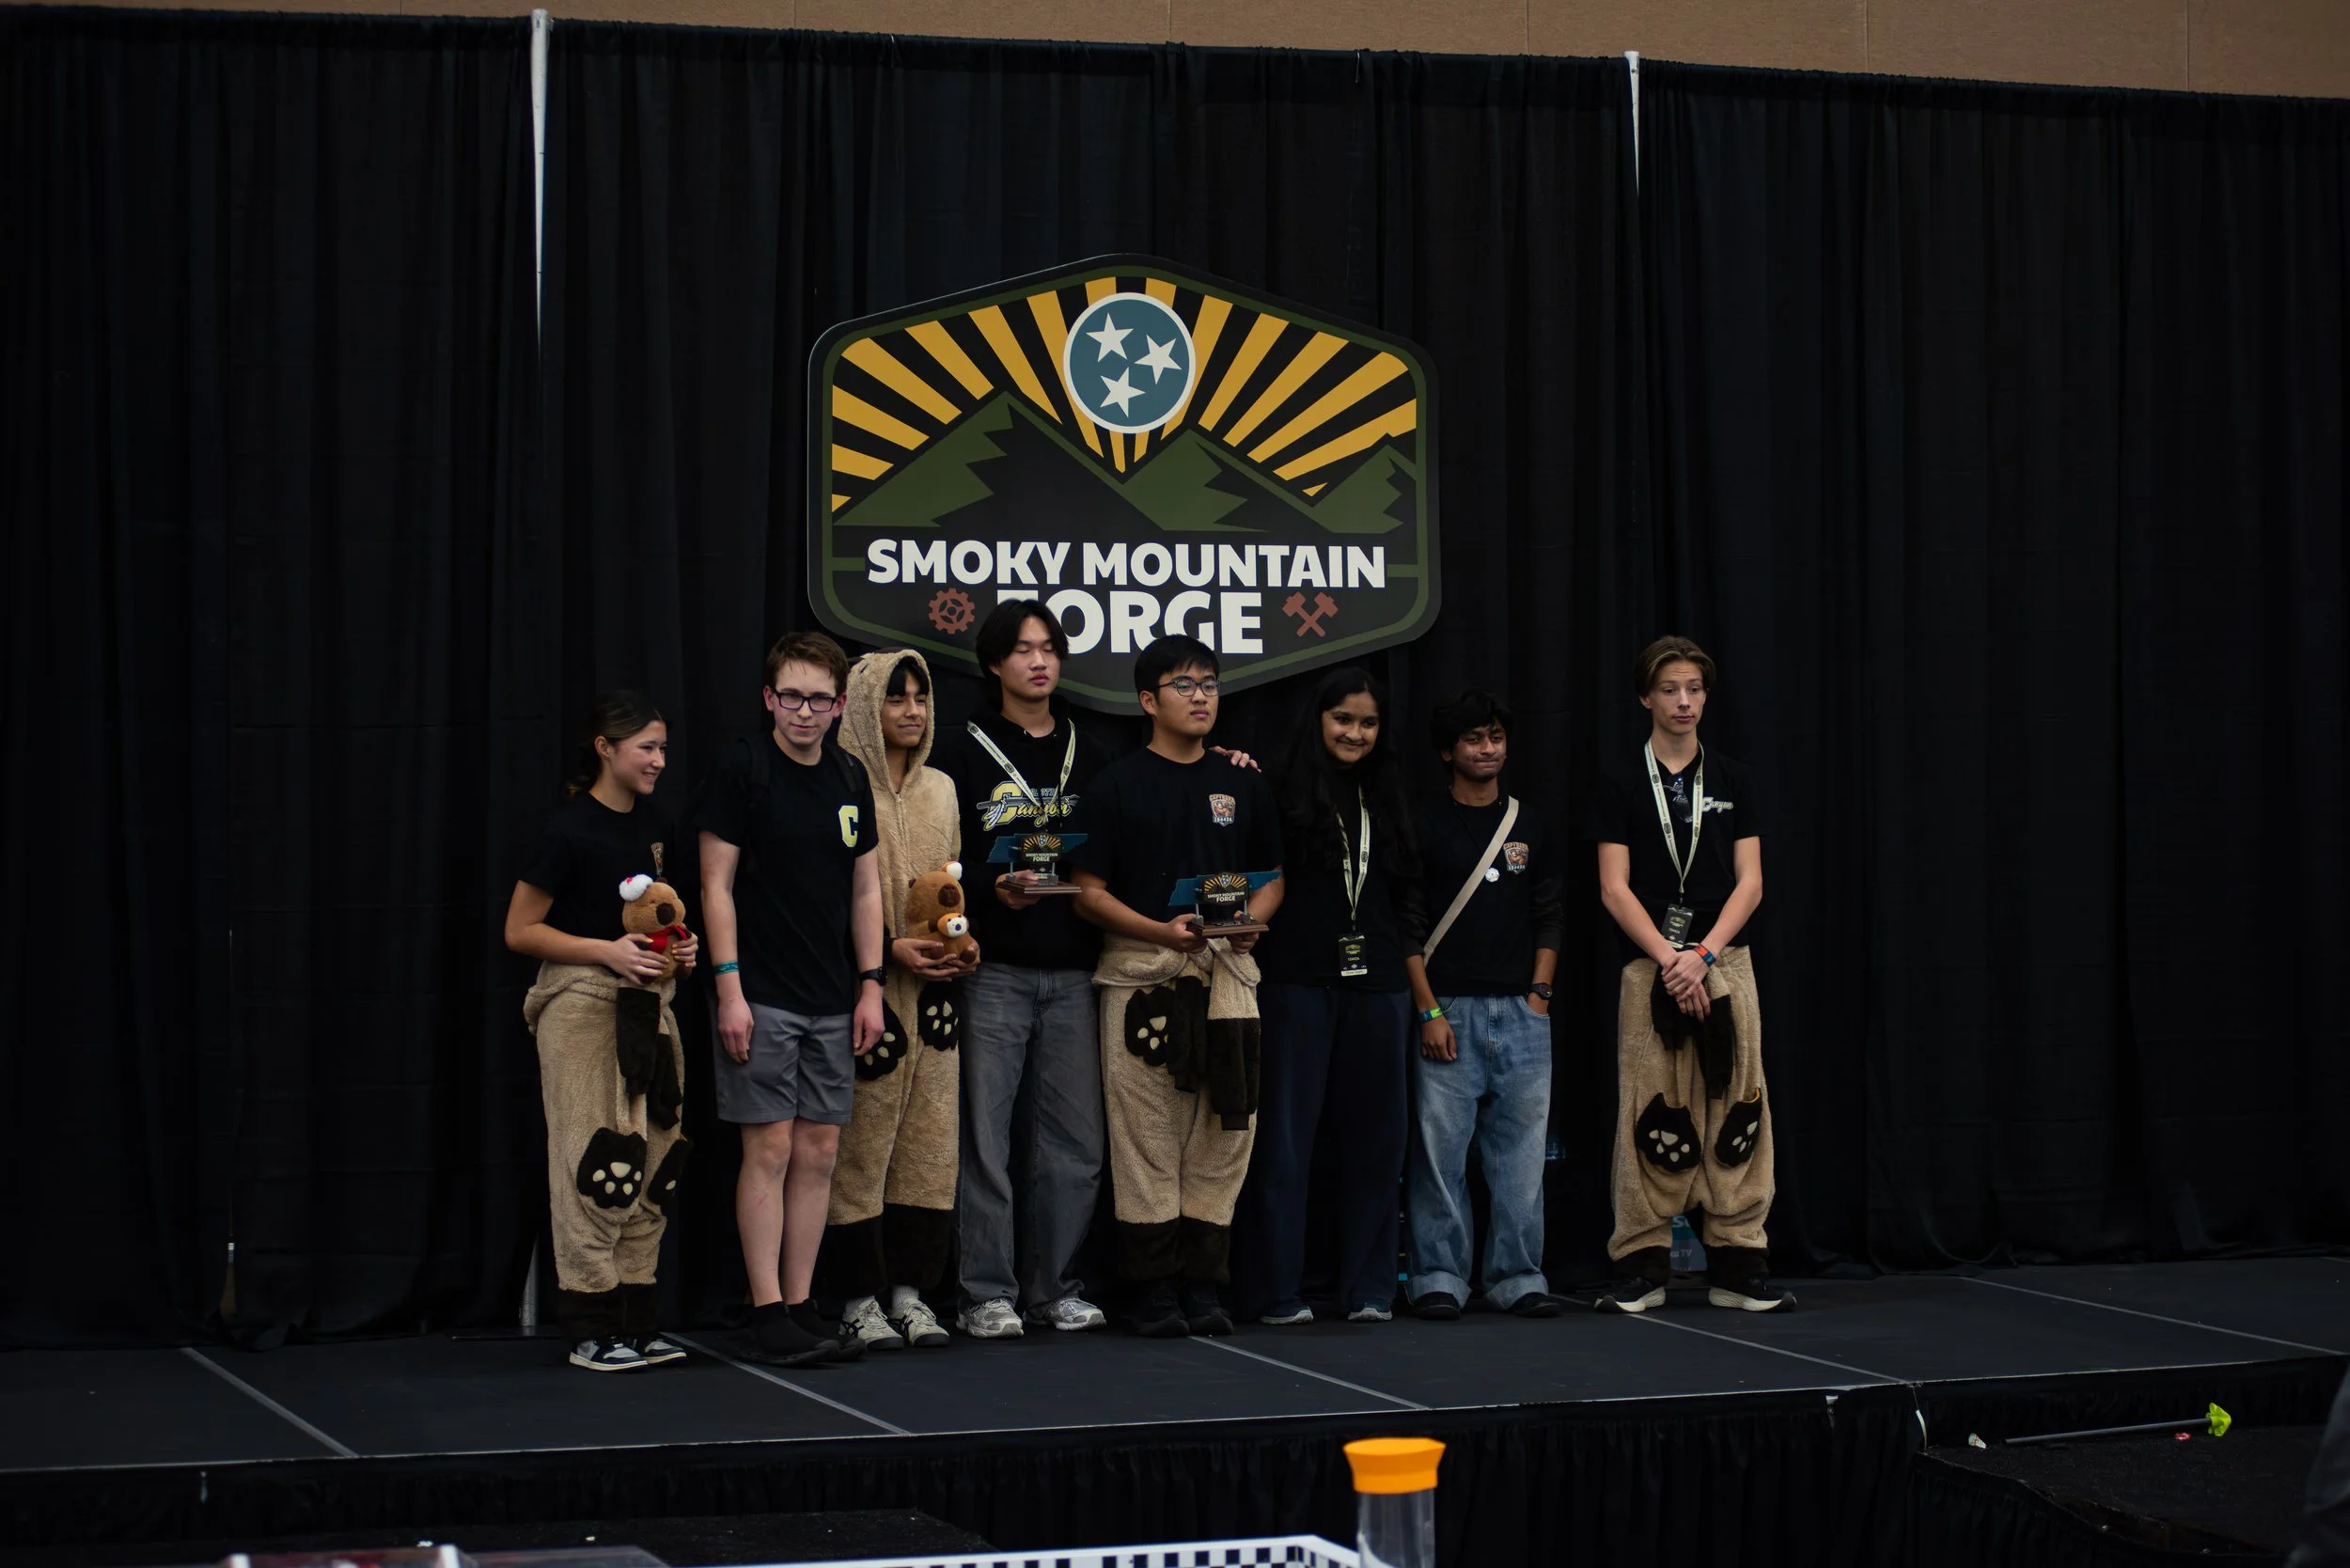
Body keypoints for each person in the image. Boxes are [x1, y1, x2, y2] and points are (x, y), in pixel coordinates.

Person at [1068, 634, 1283, 1337]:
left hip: (1226, 978)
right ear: (1147, 700)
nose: (1200, 697)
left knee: (1227, 1130)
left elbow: (1273, 877)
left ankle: (1206, 1285)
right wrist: (1161, 933)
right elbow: (1087, 892)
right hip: (1143, 979)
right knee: (1145, 1137)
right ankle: (1152, 1289)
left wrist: (1249, 922)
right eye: (1183, 685)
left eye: (1209, 684)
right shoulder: (1117, 785)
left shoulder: (1243, 782)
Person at [701, 631, 886, 1367]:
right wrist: (729, 989)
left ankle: (804, 1304)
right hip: (763, 993)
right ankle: (766, 1309)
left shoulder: (849, 775)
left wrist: (870, 984)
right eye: (790, 698)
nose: (803, 712)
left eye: (817, 700)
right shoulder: (744, 768)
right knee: (770, 1147)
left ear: (839, 706)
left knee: (820, 1149)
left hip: (832, 996)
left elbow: (866, 888)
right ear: (768, 699)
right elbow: (714, 885)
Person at [929, 600, 1113, 1340]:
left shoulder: (1091, 751)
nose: (1039, 662)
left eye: (1049, 649)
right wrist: (986, 888)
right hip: (992, 968)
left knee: (1076, 1144)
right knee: (986, 1140)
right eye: (1023, 649)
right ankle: (985, 1293)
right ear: (994, 662)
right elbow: (936, 861)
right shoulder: (960, 750)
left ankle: (1055, 1288)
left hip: (1074, 969)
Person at [1589, 635, 1787, 1313]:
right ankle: (1642, 1263)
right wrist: (1670, 958)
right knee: (1651, 1108)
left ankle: (1738, 1260)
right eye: (1670, 689)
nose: (1683, 701)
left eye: (1694, 689)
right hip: (1651, 964)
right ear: (1646, 697)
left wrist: (1701, 956)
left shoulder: (1733, 778)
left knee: (1739, 1105)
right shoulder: (1619, 780)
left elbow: (1751, 882)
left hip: (1724, 959)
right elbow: (1613, 887)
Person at [503, 691, 699, 1372]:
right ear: (605, 748)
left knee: (655, 1162)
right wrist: (605, 953)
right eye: (646, 747)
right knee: (595, 1161)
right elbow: (520, 930)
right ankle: (590, 1325)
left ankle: (636, 1320)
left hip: (648, 1010)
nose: (658, 760)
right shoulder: (569, 830)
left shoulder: (658, 823)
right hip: (581, 1009)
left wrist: (681, 949)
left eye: (663, 748)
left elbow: (657, 918)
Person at [1235, 666, 1425, 1326]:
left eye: (1368, 723)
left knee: (1378, 1142)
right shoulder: (1277, 788)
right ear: (1318, 719)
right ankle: (1276, 1291)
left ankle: (1370, 1289)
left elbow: (1407, 895)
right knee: (1286, 1141)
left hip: (1379, 986)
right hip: (1296, 981)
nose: (1355, 733)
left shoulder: (1390, 791)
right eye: (1343, 719)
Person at [820, 650, 976, 1352]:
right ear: (862, 705)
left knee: (930, 1146)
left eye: (920, 697)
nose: (912, 710)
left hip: (936, 1001)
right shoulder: (840, 783)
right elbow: (827, 896)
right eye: (895, 697)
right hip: (870, 994)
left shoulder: (941, 789)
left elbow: (949, 888)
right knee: (862, 1144)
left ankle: (912, 1294)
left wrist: (961, 941)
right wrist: (884, 951)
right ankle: (857, 1299)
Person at [1402, 691, 1569, 1320]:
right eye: (1473, 739)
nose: (1488, 748)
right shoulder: (1423, 823)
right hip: (1447, 1008)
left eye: (1496, 736)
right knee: (1440, 1155)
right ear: (1448, 751)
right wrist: (1428, 1011)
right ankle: (1438, 1276)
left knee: (1522, 1158)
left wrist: (1539, 997)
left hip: (1522, 1012)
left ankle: (1517, 1276)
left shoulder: (1531, 824)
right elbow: (1407, 925)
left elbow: (1550, 915)